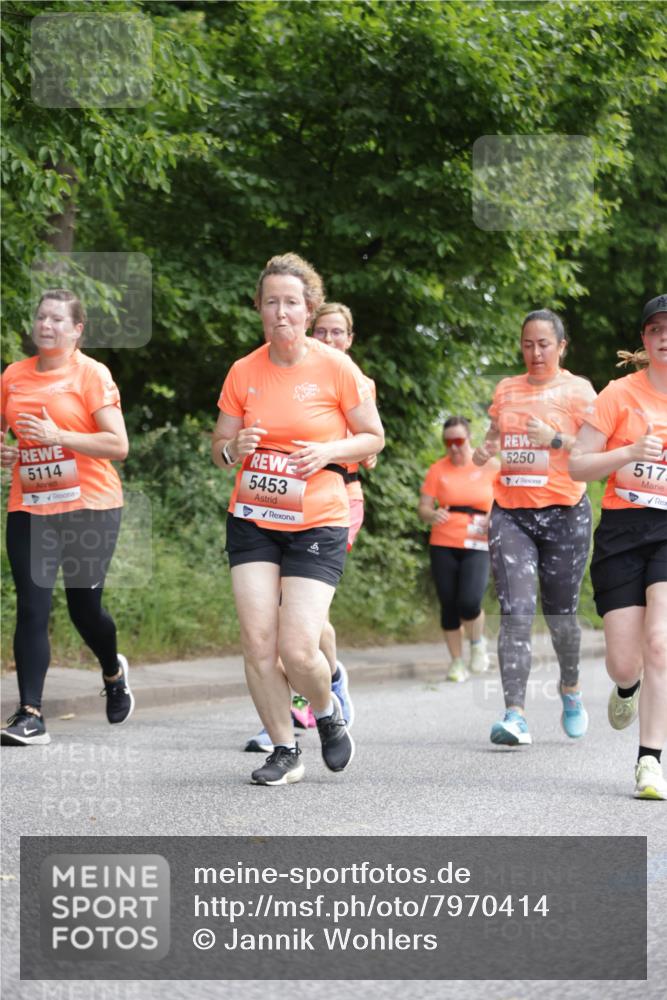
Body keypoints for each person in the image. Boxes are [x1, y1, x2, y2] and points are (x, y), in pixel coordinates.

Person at [212, 254, 384, 785]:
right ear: (259, 309)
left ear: (308, 311)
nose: (280, 312)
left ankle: (328, 712)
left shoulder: (336, 367)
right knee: (257, 643)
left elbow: (373, 437)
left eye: (291, 302)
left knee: (297, 647)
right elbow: (219, 448)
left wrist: (328, 449)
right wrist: (233, 448)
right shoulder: (244, 371)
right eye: (271, 302)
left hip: (317, 519)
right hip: (255, 518)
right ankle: (285, 750)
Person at [0, 289, 132, 746]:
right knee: (32, 606)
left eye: (58, 319)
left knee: (84, 609)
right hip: (31, 506)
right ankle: (30, 715)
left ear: (77, 331)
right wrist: (6, 452)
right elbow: (4, 435)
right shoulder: (13, 376)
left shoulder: (92, 374)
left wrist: (60, 435)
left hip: (90, 507)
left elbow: (118, 445)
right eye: (41, 316)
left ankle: (113, 673)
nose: (46, 324)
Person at [244, 301, 373, 752]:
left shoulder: (347, 375)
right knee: (276, 617)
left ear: (350, 338)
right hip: (268, 507)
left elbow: (369, 450)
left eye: (338, 332)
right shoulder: (262, 370)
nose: (329, 339)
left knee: (301, 619)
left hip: (337, 501)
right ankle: (285, 714)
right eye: (323, 331)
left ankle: (324, 683)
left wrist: (329, 449)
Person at [473, 309, 596, 746]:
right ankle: (515, 715)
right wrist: (485, 449)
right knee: (517, 612)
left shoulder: (580, 391)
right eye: (528, 344)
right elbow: (495, 432)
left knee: (562, 618)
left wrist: (555, 439)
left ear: (562, 347)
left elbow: (598, 449)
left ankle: (571, 689)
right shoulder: (506, 389)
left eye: (544, 344)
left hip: (565, 513)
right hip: (512, 513)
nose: (535, 352)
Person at [569, 294, 667, 799]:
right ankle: (626, 687)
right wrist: (628, 451)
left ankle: (649, 761)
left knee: (660, 641)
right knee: (625, 662)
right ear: (645, 341)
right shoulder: (617, 395)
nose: (664, 336)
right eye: (655, 329)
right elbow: (577, 466)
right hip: (624, 531)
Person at [419, 416, 499, 682]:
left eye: (459, 441)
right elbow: (424, 507)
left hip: (477, 541)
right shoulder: (437, 470)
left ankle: (477, 644)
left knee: (469, 601)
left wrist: (495, 516)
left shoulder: (490, 467)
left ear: (469, 439)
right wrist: (431, 515)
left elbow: (508, 500)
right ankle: (456, 663)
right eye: (448, 442)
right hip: (443, 542)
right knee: (449, 605)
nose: (454, 447)